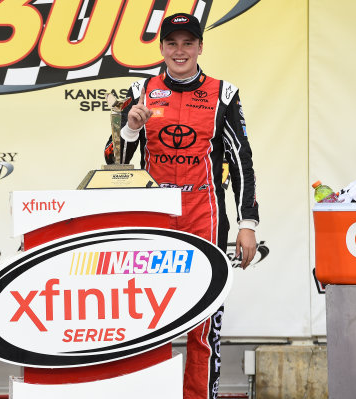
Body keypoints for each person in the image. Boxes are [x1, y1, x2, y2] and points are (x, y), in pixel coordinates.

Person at [103, 13, 259, 399]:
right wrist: (131, 128)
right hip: (154, 213)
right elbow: (114, 163)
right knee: (147, 314)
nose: (179, 51)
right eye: (172, 43)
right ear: (161, 49)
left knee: (203, 322)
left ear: (200, 47)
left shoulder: (224, 93)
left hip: (203, 210)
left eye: (188, 43)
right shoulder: (141, 90)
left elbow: (242, 163)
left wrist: (248, 223)